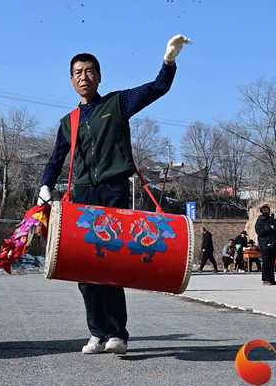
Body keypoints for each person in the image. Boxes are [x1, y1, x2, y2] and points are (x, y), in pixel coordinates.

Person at [36, 34, 190, 355]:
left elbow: (157, 87)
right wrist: (45, 186)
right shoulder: (68, 122)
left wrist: (169, 60)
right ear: (71, 80)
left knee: (111, 263)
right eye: (78, 72)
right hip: (82, 196)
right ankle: (97, 333)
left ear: (99, 76)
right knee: (84, 268)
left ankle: (118, 334)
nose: (84, 77)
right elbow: (56, 159)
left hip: (113, 190)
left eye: (89, 71)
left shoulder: (117, 104)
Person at [255, 205, 276, 286]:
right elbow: (259, 232)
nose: (266, 212)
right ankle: (265, 279)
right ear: (261, 212)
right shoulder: (260, 220)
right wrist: (269, 227)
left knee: (272, 262)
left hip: (273, 243)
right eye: (264, 210)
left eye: (267, 210)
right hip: (265, 243)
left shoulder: (271, 219)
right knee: (266, 262)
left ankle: (272, 279)